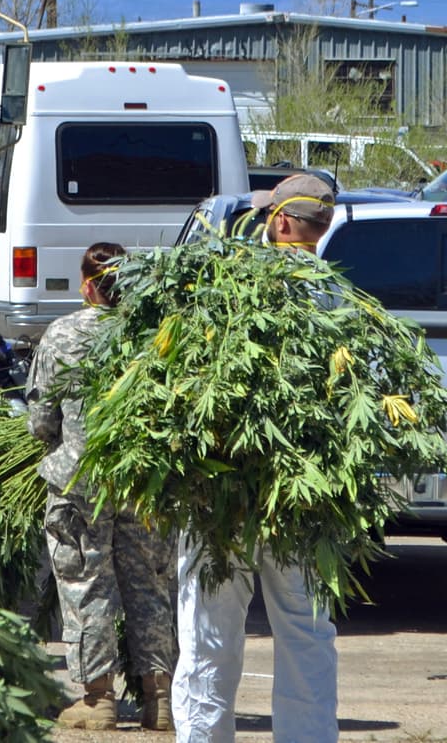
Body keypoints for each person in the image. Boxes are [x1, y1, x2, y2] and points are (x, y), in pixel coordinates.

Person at [172, 173, 339, 743]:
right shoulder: (337, 295)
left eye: (270, 211)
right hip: (302, 497)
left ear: (283, 222)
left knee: (208, 636)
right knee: (306, 632)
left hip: (221, 493)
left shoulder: (229, 285)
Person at [25, 241, 176, 732]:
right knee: (149, 583)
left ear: (87, 285)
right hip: (142, 482)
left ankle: (97, 698)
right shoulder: (151, 336)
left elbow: (41, 421)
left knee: (85, 582)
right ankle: (159, 699)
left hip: (80, 483)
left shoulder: (64, 334)